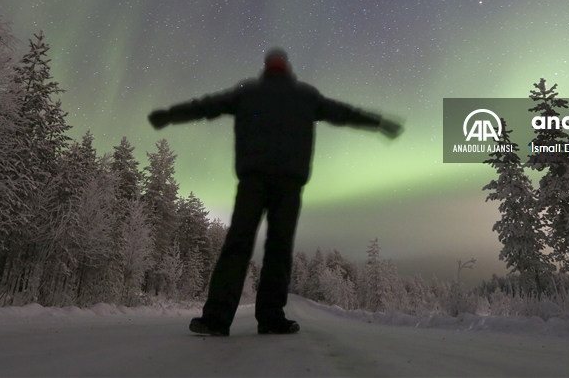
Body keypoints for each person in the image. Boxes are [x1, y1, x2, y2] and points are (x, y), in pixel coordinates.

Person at [148, 48, 403, 337]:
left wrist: (169, 115)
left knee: (238, 245)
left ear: (267, 68)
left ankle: (217, 318)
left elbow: (206, 106)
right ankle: (270, 318)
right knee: (278, 249)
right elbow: (342, 113)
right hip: (288, 182)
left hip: (254, 180)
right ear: (286, 68)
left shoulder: (249, 92)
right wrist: (378, 123)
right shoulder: (304, 95)